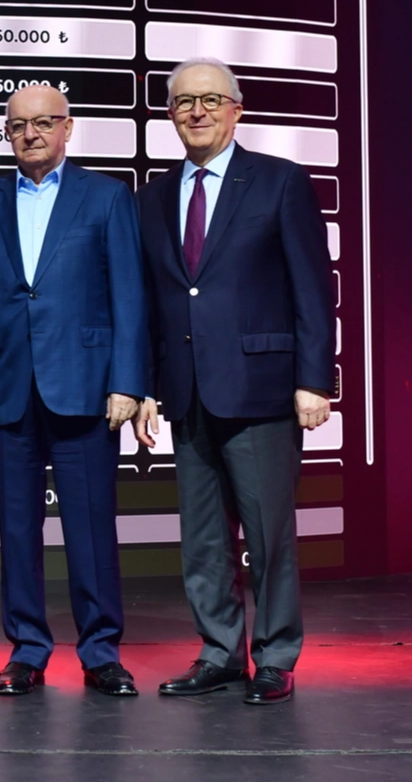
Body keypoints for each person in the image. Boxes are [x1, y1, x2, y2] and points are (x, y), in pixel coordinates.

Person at [133, 57, 333, 706]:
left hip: (263, 390)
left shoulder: (279, 181)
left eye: (210, 100)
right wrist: (145, 385)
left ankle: (275, 655)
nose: (196, 111)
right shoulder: (154, 196)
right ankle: (219, 651)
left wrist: (314, 379)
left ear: (236, 109)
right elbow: (151, 300)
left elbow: (312, 287)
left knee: (269, 536)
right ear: (170, 114)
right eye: (183, 102)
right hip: (185, 391)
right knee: (202, 539)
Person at [0, 85, 147, 697]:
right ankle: (27, 650)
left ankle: (101, 652)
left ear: (68, 127)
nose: (30, 134)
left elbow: (129, 296)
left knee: (91, 528)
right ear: (6, 133)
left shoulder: (107, 197)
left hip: (86, 386)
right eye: (18, 126)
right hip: (7, 386)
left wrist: (127, 381)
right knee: (16, 530)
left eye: (43, 123)